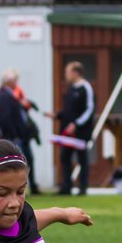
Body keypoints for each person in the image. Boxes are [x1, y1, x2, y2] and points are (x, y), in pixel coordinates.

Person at [46, 61, 95, 196]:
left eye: (67, 72)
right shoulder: (71, 89)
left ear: (75, 72)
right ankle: (66, 187)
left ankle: (83, 188)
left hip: (80, 132)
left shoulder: (86, 87)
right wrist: (57, 115)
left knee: (82, 159)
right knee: (64, 157)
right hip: (67, 132)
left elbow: (89, 110)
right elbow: (68, 111)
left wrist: (77, 124)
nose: (65, 75)